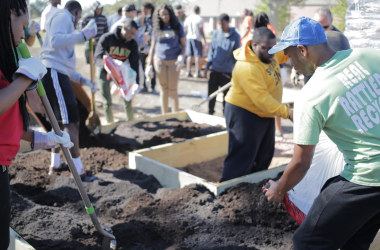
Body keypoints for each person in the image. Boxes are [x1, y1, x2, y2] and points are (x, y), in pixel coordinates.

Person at [265, 17, 380, 249]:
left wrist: (279, 189)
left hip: (368, 176)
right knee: (355, 241)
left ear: (302, 50)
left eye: (289, 55)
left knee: (307, 241)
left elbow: (301, 163)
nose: (290, 63)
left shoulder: (311, 95)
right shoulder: (371, 56)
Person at [0, 0, 73, 248]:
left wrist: (48, 139)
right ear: (9, 13)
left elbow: (12, 128)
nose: (26, 30)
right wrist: (24, 79)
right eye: (24, 22)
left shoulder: (6, 55)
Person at [220, 27, 291, 182]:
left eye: (273, 48)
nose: (270, 52)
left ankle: (253, 187)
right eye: (265, 48)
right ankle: (227, 189)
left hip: (265, 113)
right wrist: (288, 113)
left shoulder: (270, 54)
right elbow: (262, 99)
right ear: (254, 45)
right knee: (242, 155)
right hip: (244, 113)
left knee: (264, 153)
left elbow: (284, 53)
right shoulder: (247, 67)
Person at [40, 0, 97, 181]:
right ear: (75, 12)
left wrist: (84, 80)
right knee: (71, 123)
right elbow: (55, 41)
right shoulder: (64, 15)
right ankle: (79, 171)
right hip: (54, 72)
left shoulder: (67, 27)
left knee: (59, 124)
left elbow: (68, 68)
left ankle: (55, 164)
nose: (76, 22)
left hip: (57, 73)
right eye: (78, 18)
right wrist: (82, 35)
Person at [94, 19, 140, 123]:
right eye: (131, 33)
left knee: (127, 96)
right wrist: (108, 67)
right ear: (124, 28)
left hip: (120, 72)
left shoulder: (132, 44)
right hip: (105, 71)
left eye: (134, 34)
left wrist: (134, 82)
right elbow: (97, 57)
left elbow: (134, 64)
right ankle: (110, 123)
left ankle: (130, 122)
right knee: (107, 100)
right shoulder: (107, 38)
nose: (132, 36)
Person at [146, 4, 185, 114]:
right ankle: (165, 115)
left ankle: (175, 115)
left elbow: (184, 45)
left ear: (171, 14)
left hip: (174, 61)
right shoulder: (157, 28)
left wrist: (182, 56)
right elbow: (153, 46)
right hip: (159, 60)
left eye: (166, 14)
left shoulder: (177, 26)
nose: (164, 17)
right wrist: (149, 64)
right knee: (164, 89)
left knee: (172, 89)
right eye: (162, 15)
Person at [204, 13, 241, 115]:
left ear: (228, 22)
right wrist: (207, 66)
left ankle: (226, 116)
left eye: (223, 23)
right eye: (219, 24)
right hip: (215, 69)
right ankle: (210, 112)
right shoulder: (216, 34)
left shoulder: (235, 36)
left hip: (227, 72)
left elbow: (237, 55)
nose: (221, 26)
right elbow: (212, 51)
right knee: (211, 94)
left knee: (227, 97)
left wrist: (237, 71)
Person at [136, 2, 156, 93]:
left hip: (152, 48)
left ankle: (153, 85)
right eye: (143, 10)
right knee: (142, 68)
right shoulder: (139, 20)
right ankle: (144, 85)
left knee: (153, 68)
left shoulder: (155, 20)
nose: (144, 12)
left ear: (150, 10)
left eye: (146, 10)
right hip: (142, 47)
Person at [184, 5, 206, 78]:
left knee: (189, 55)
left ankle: (188, 71)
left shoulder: (188, 18)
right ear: (198, 11)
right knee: (197, 56)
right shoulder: (199, 18)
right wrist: (204, 39)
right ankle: (197, 72)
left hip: (189, 38)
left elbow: (185, 29)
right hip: (197, 38)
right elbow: (201, 30)